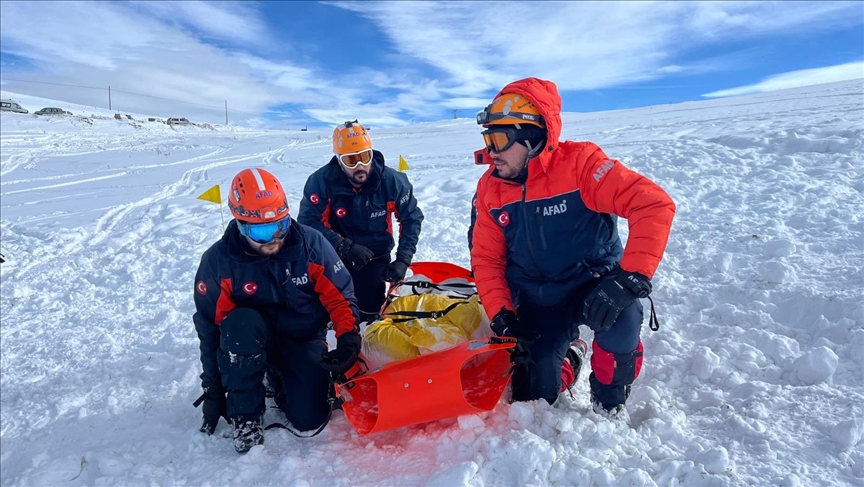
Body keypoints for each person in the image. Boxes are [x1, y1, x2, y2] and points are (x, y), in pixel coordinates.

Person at [469, 77, 676, 419]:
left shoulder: (581, 164)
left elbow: (652, 204)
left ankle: (609, 399)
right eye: (488, 138)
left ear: (531, 136)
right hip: (538, 298)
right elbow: (487, 258)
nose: (491, 151)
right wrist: (502, 313)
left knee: (623, 318)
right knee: (534, 397)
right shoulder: (491, 187)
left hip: (593, 283)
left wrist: (630, 277)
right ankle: (571, 356)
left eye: (499, 139)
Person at [193, 168, 361, 453]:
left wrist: (348, 339)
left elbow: (341, 297)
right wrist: (213, 388)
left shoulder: (310, 244)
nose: (273, 238)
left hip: (302, 337)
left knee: (309, 417)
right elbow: (210, 329)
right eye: (260, 231)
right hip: (250, 339)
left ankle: (280, 377)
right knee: (240, 324)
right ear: (240, 224)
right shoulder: (218, 262)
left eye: (280, 226)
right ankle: (246, 417)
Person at [298, 120, 424, 322]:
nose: (360, 166)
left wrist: (403, 259)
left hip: (373, 256)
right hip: (333, 254)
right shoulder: (320, 182)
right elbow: (307, 223)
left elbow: (411, 218)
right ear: (339, 161)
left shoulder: (392, 181)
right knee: (322, 308)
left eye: (364, 157)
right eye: (351, 160)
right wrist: (343, 246)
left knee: (368, 312)